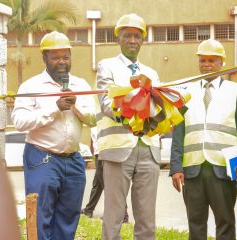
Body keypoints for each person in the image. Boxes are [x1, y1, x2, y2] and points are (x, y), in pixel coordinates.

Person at [11, 31, 96, 240]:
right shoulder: (31, 86)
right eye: (56, 57)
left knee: (69, 217)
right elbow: (20, 121)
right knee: (41, 215)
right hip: (42, 157)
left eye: (65, 57)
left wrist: (76, 107)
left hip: (74, 161)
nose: (61, 62)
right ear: (44, 58)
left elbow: (93, 119)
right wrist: (54, 108)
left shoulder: (80, 85)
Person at [170, 39, 237, 240]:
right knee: (195, 222)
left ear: (222, 62)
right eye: (203, 60)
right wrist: (176, 167)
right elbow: (178, 131)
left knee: (225, 221)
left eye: (211, 60)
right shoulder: (185, 91)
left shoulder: (235, 91)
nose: (206, 64)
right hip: (193, 168)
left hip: (225, 167)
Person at [96, 13, 161, 240]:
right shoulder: (107, 67)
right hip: (118, 149)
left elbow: (160, 109)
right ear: (119, 39)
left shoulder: (152, 73)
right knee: (113, 215)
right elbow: (106, 104)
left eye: (137, 36)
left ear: (142, 40)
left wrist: (150, 109)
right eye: (127, 36)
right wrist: (137, 107)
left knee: (146, 218)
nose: (132, 40)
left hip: (149, 149)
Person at [81, 127, 129, 222]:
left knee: (110, 186)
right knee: (97, 184)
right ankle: (89, 209)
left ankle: (123, 214)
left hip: (103, 152)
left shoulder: (101, 117)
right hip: (100, 152)